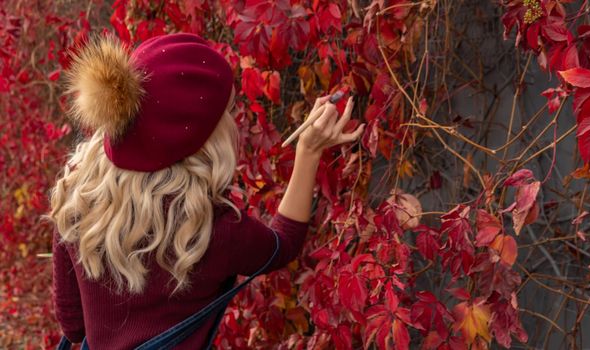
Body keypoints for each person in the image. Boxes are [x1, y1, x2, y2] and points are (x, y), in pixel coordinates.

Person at [44, 32, 365, 349]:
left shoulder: (76, 199)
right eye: (224, 112)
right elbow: (280, 247)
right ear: (195, 139)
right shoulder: (208, 229)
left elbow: (73, 326)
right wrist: (308, 152)